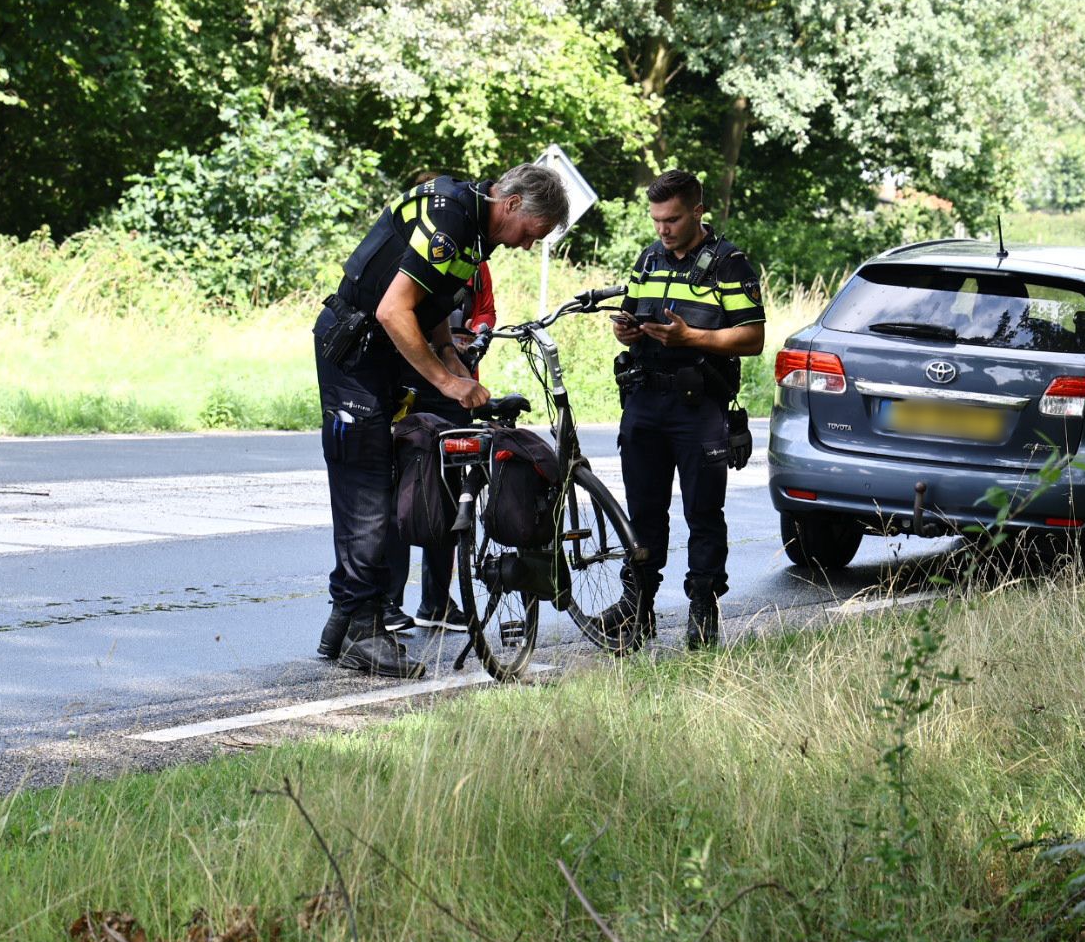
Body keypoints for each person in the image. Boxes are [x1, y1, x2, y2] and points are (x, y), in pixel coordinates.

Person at [314, 166, 568, 677]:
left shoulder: (475, 226)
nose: (525, 246)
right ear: (514, 204)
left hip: (386, 354)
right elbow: (393, 310)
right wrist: (450, 385)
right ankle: (364, 630)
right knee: (366, 488)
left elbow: (430, 305)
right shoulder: (452, 215)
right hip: (358, 351)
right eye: (531, 234)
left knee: (385, 480)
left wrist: (453, 364)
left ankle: (345, 619)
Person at [597, 169, 765, 649]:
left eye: (671, 219)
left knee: (702, 513)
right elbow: (632, 310)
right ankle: (638, 608)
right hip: (645, 399)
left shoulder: (729, 263)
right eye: (656, 220)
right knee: (642, 513)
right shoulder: (649, 258)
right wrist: (626, 330)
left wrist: (694, 337)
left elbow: (753, 338)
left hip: (698, 405)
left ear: (697, 210)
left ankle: (702, 610)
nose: (663, 229)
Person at [383, 261, 494, 635]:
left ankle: (437, 601)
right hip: (407, 376)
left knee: (450, 489)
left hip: (456, 379)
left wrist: (474, 337)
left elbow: (485, 309)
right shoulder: (422, 248)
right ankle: (387, 601)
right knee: (399, 488)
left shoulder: (475, 259)